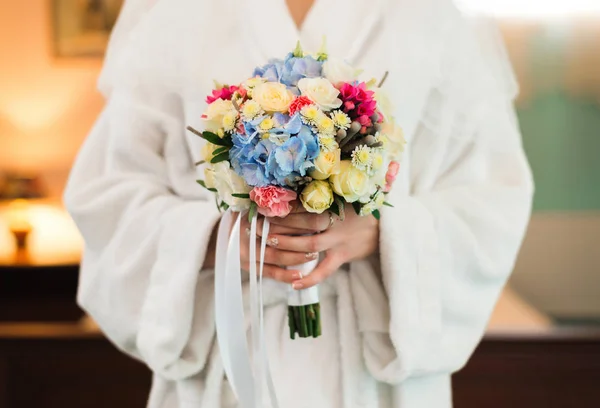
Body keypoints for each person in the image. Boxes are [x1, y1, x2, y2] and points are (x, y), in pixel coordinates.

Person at [64, 0, 534, 407]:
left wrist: (381, 234)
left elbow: (492, 198)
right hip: (228, 352)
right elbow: (109, 193)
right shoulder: (176, 14)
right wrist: (217, 239)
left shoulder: (428, 16)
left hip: (372, 372)